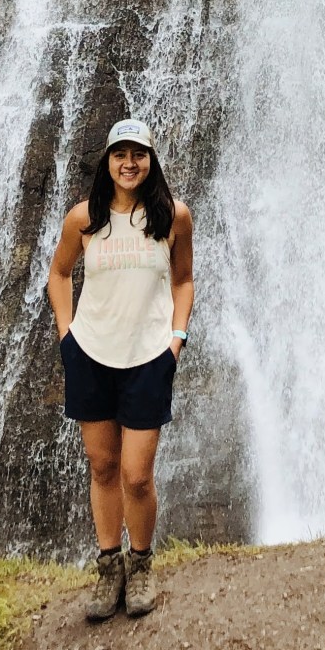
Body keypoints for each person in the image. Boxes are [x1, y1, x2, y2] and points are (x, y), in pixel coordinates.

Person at [46, 117, 194, 619]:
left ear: (151, 161)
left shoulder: (173, 217)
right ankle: (109, 568)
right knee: (103, 466)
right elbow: (59, 274)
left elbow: (183, 281)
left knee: (136, 474)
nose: (129, 164)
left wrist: (177, 339)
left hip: (149, 357)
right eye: (119, 155)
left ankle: (142, 564)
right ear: (107, 162)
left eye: (139, 155)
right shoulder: (84, 218)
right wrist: (67, 335)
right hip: (90, 354)